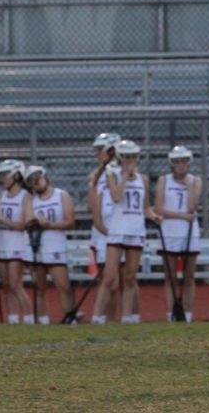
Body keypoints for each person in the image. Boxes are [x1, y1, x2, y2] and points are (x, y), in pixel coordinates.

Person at [90, 140, 161, 324]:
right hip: (118, 230)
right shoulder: (112, 174)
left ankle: (127, 317)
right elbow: (115, 196)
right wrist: (125, 176)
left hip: (136, 230)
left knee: (130, 278)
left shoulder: (143, 179)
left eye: (133, 157)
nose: (131, 160)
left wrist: (154, 216)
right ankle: (97, 317)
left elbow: (145, 208)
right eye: (127, 157)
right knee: (110, 277)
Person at [155, 145, 202, 322]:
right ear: (172, 164)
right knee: (171, 276)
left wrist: (189, 186)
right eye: (177, 162)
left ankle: (188, 314)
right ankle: (171, 313)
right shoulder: (163, 181)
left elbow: (192, 206)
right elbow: (159, 209)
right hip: (170, 232)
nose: (181, 165)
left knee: (189, 276)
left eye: (184, 162)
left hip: (190, 233)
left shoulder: (195, 181)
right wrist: (182, 216)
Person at [25, 166, 76, 325]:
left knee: (63, 286)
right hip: (36, 246)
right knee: (39, 288)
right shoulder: (30, 200)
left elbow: (70, 222)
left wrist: (49, 224)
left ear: (45, 177)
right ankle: (43, 321)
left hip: (55, 247)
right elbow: (26, 221)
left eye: (38, 179)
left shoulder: (61, 195)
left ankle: (70, 318)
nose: (36, 184)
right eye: (32, 182)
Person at [0, 159, 34, 324]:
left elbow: (22, 224)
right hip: (2, 242)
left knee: (16, 285)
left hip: (16, 244)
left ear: (16, 175)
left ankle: (28, 319)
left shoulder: (25, 196)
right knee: (6, 285)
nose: (2, 178)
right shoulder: (3, 195)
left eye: (5, 175)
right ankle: (13, 320)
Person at [88, 132, 126, 322]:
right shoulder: (98, 175)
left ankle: (116, 318)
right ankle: (103, 318)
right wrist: (101, 225)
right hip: (103, 231)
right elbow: (93, 204)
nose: (97, 154)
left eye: (100, 150)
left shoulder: (122, 172)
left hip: (118, 230)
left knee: (119, 280)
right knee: (107, 278)